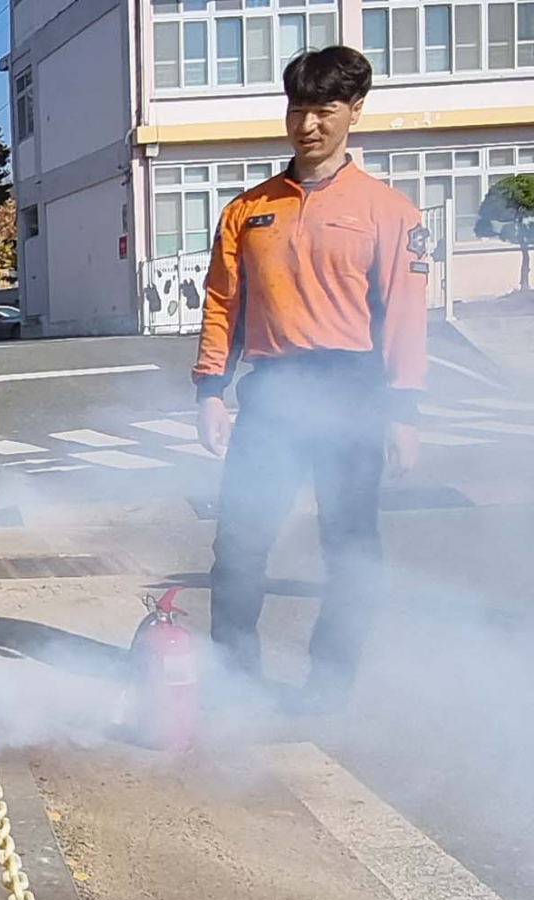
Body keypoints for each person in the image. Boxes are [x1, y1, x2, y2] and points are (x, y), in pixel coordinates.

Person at [195, 47, 424, 715]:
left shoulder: (388, 211)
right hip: (271, 390)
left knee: (350, 547)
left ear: (354, 112)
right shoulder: (248, 210)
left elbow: (405, 316)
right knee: (238, 542)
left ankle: (330, 687)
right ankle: (233, 680)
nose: (310, 124)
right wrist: (211, 390)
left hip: (352, 390)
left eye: (325, 109)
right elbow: (221, 303)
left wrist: (404, 410)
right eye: (299, 108)